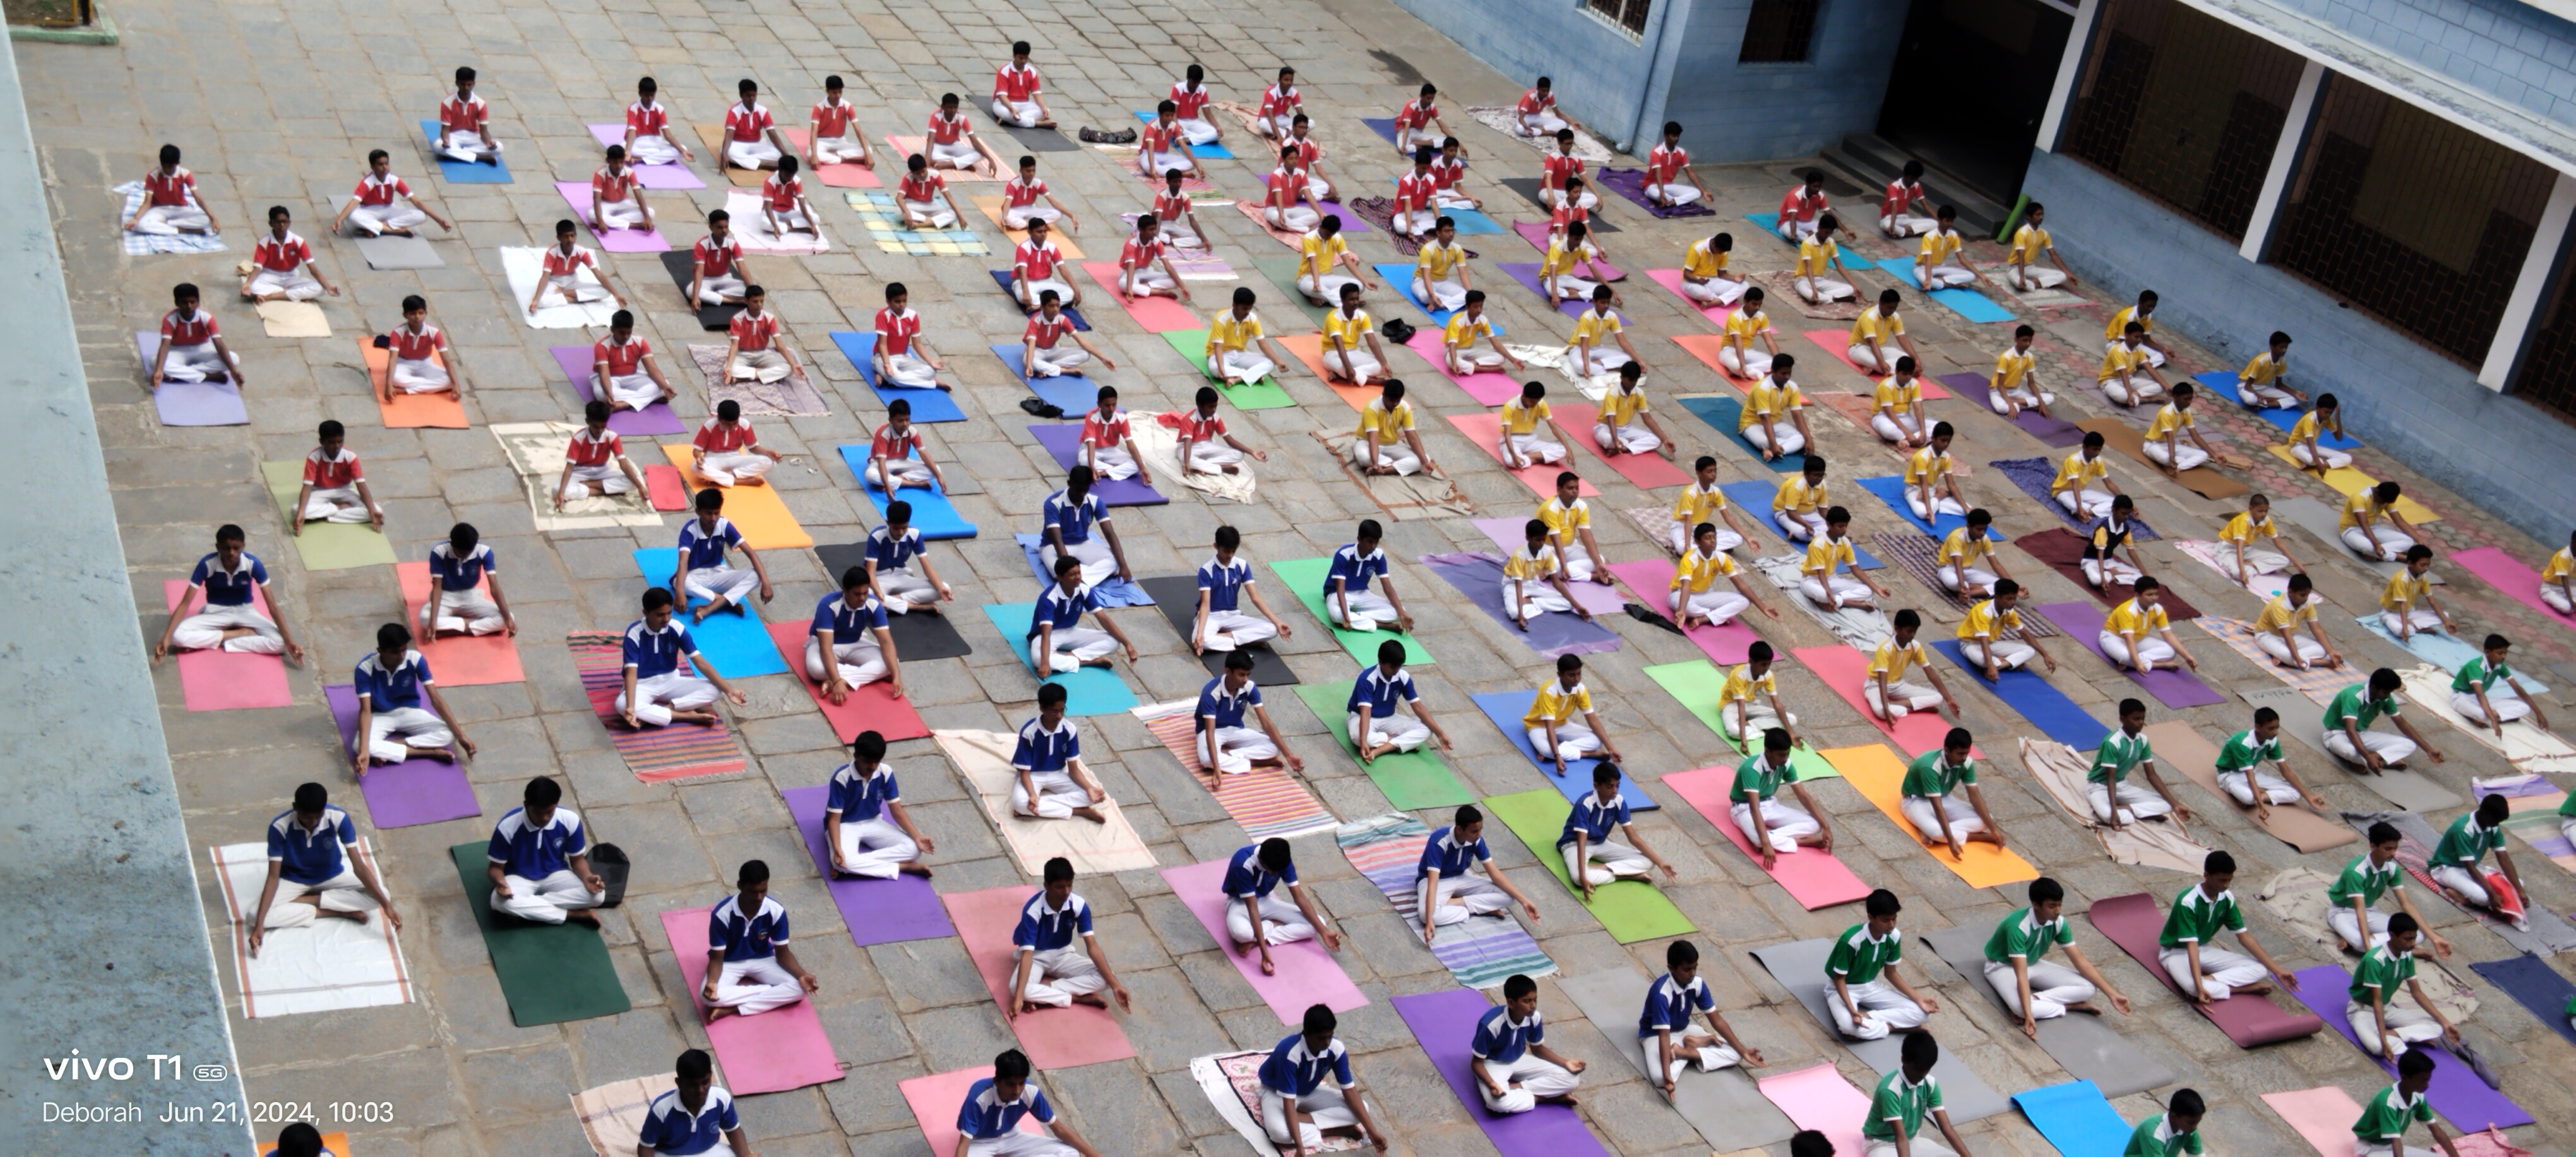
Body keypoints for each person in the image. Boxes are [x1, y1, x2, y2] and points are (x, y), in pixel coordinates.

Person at [244, 783, 398, 956]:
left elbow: (359, 868)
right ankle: (330, 911)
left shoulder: (338, 817)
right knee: (253, 915)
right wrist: (259, 927)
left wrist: (387, 907)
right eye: (306, 817)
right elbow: (273, 877)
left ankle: (310, 900)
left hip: (331, 876)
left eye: (318, 816)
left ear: (324, 809)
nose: (313, 822)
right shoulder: (279, 827)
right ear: (295, 808)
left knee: (382, 894)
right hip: (294, 879)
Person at [1985, 877, 2129, 1038]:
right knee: (2021, 1009)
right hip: (2003, 967)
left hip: (2032, 964)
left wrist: (2112, 994)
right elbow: (2021, 975)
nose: (2057, 910)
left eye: (2059, 904)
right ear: (2035, 904)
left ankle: (2036, 1000)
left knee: (2089, 987)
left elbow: (2079, 960)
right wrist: (2029, 1015)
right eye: (2052, 906)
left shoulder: (2058, 923)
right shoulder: (2018, 927)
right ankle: (2068, 1006)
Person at [2159, 851, 2298, 1004]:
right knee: (2193, 988)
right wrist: (2199, 987)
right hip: (2175, 954)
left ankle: (2208, 981)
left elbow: (2244, 937)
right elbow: (2191, 945)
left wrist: (2278, 971)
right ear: (2206, 875)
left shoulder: (2226, 898)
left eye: (2229, 880)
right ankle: (2239, 989)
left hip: (2202, 949)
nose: (2226, 885)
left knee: (2260, 969)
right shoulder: (2188, 901)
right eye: (2221, 880)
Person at [154, 524, 303, 664]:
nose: (231, 553)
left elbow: (273, 607)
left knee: (281, 643)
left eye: (236, 548)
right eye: (226, 548)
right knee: (177, 636)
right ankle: (236, 635)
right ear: (218, 547)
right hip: (215, 612)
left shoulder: (253, 564)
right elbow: (185, 603)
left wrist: (290, 641)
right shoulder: (207, 564)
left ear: (243, 546)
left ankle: (221, 641)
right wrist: (165, 639)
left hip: (246, 611)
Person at [1642, 939, 1765, 1096]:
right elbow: (1664, 1035)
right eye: (1687, 970)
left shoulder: (1697, 983)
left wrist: (1744, 1050)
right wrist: (1667, 1076)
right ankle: (1688, 1050)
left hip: (1685, 1031)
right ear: (1671, 968)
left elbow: (1716, 1020)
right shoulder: (1661, 994)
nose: (1692, 973)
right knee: (1660, 1079)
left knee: (1737, 1054)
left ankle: (1683, 1054)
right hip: (1654, 1036)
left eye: (1695, 968)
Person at [1260, 1005, 1388, 1153]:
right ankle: (1328, 1131)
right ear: (1306, 1034)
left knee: (1362, 1109)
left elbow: (1349, 1091)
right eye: (1321, 1038)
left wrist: (1372, 1131)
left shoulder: (1336, 1048)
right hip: (1276, 1093)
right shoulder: (1289, 1053)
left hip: (1308, 1091)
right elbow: (1288, 1101)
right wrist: (1300, 1146)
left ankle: (1302, 1118)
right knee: (1279, 1132)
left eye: (1330, 1036)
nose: (1327, 1042)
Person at [1009, 856, 1131, 1012]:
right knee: (1016, 989)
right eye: (1060, 887)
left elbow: (1092, 946)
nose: (1066, 892)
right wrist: (1019, 999)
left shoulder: (1078, 905)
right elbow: (1027, 954)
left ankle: (1046, 992)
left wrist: (1116, 986)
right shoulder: (1033, 910)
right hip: (1036, 956)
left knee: (1107, 978)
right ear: (1046, 885)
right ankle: (1074, 998)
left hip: (1063, 954)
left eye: (1069, 885)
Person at [701, 860, 818, 1021]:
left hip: (763, 959)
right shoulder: (722, 914)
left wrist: (802, 975)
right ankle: (769, 991)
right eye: (753, 892)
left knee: (800, 988)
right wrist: (713, 982)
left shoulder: (776, 910)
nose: (759, 897)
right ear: (740, 885)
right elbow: (716, 957)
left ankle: (734, 1008)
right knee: (707, 996)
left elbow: (783, 953)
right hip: (729, 962)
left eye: (763, 891)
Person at [618, 588, 748, 728]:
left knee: (716, 689)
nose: (666, 619)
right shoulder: (634, 633)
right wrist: (631, 707)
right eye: (660, 615)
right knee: (621, 705)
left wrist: (730, 691)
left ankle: (669, 709)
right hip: (642, 684)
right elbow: (631, 673)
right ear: (646, 613)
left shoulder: (676, 628)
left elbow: (700, 662)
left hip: (670, 680)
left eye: (669, 613)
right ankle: (684, 715)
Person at [485, 776, 605, 924]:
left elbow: (577, 859)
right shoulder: (507, 826)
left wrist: (588, 878)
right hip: (519, 877)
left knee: (598, 896)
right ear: (527, 805)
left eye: (549, 812)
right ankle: (572, 914)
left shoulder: (570, 820)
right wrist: (501, 882)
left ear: (556, 804)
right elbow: (495, 868)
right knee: (499, 901)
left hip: (556, 874)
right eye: (538, 812)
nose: (544, 818)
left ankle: (527, 907)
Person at [1417, 804, 1543, 940]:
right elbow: (1433, 884)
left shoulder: (1476, 841)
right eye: (1474, 831)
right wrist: (1430, 922)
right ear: (1460, 829)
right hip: (1435, 881)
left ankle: (1457, 902)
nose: (1479, 835)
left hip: (1462, 877)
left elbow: (1494, 874)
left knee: (1509, 896)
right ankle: (1476, 908)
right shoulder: (1440, 841)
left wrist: (1524, 902)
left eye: (1480, 830)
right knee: (1426, 915)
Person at [2330, 820, 2453, 956]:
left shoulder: (2392, 869)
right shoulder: (2357, 871)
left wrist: (2434, 938)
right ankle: (2406, 950)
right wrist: (2368, 947)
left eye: (2395, 848)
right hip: (2343, 913)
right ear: (2373, 846)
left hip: (2369, 912)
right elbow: (2359, 910)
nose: (2393, 853)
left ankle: (2373, 940)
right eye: (2388, 849)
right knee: (2361, 944)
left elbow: (2406, 904)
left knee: (2417, 934)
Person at [1828, 889, 1938, 1040]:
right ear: (1871, 918)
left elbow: (1891, 973)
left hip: (1869, 986)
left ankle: (1869, 1019)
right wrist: (1851, 1009)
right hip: (1842, 988)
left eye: (1894, 919)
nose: (1891, 925)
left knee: (1922, 1013)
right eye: (1885, 920)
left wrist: (1919, 999)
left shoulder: (1893, 936)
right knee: (1848, 1026)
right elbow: (1838, 979)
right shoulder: (1852, 940)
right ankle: (1892, 1027)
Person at [1560, 762, 1676, 900]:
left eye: (1617, 786)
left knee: (1648, 861)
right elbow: (1581, 840)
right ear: (1597, 786)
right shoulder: (1586, 803)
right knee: (1579, 879)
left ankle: (1602, 868)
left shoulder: (1619, 802)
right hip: (1573, 844)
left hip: (1600, 843)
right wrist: (1583, 875)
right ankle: (1627, 875)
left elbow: (1633, 837)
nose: (1615, 790)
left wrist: (1661, 862)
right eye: (1610, 787)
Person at [1221, 839, 1342, 972]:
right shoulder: (1243, 864)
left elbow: (1299, 897)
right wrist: (1264, 952)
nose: (1275, 874)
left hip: (1265, 900)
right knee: (1242, 934)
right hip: (1240, 903)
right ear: (1261, 859)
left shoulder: (1282, 859)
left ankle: (1261, 937)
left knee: (1318, 924)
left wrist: (1324, 932)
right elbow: (1252, 908)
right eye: (1272, 871)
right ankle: (1270, 926)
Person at [825, 731, 932, 879]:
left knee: (914, 849)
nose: (873, 766)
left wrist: (917, 837)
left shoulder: (885, 772)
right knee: (843, 860)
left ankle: (853, 863)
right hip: (845, 825)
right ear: (856, 756)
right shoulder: (842, 777)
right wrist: (837, 849)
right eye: (868, 762)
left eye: (877, 761)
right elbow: (834, 820)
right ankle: (903, 866)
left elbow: (897, 811)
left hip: (873, 822)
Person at [1474, 973, 1585, 1114]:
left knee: (1572, 1080)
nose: (1533, 1006)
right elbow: (1476, 1063)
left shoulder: (1534, 1017)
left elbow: (1538, 1049)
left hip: (1519, 1059)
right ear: (1511, 1003)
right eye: (1527, 1001)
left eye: (1535, 1000)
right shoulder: (1491, 1024)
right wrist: (1491, 1084)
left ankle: (1514, 1088)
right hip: (1493, 1064)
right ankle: (1544, 1099)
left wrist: (1565, 1063)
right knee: (1497, 1103)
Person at [958, 1050, 1100, 1157]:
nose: (1017, 1091)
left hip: (1012, 1137)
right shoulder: (979, 1096)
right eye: (1010, 1084)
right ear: (997, 1081)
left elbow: (1059, 1129)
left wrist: (1096, 1156)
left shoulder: (1030, 1091)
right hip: (980, 1143)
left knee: (1069, 1152)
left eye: (1021, 1083)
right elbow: (963, 1144)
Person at [1010, 688, 1115, 824]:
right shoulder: (1029, 732)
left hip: (1059, 773)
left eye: (1062, 710)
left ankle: (1038, 806)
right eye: (1054, 711)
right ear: (1042, 708)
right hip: (1033, 775)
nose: (1059, 716)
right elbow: (1024, 772)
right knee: (1020, 802)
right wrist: (1032, 795)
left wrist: (1089, 788)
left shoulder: (1069, 729)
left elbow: (1074, 770)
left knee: (1094, 796)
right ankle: (1078, 811)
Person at [1735, 728, 1834, 869]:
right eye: (1780, 755)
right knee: (1759, 841)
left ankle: (1771, 837)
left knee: (1816, 823)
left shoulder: (1785, 764)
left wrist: (1826, 827)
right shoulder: (1752, 768)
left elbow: (1803, 796)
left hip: (1770, 805)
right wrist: (1766, 844)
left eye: (1787, 754)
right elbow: (1754, 808)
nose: (1785, 758)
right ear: (1767, 751)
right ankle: (1798, 842)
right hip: (1744, 808)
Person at [2090, 700, 2192, 832]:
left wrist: (2176, 805)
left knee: (2168, 805)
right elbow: (2110, 778)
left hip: (2121, 785)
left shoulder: (2142, 740)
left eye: (2143, 719)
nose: (2141, 723)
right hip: (2098, 787)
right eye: (2136, 719)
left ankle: (2127, 809)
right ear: (2122, 719)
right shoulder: (2113, 742)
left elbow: (2151, 775)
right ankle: (2124, 811)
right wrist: (2114, 812)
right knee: (2109, 815)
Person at [2430, 794, 2531, 927]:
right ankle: (2462, 897)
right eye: (2495, 821)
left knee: (2519, 884)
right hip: (2447, 869)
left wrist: (2519, 891)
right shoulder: (2463, 830)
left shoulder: (2492, 826)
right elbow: (2470, 866)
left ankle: (2470, 895)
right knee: (2483, 897)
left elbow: (2503, 857)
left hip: (2472, 868)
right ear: (2484, 814)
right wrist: (2492, 894)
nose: (2496, 825)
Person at [672, 487, 772, 621]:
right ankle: (725, 602)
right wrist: (679, 593)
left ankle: (711, 607)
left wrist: (766, 583)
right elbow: (683, 563)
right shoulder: (690, 530)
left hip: (718, 574)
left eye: (717, 513)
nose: (713, 518)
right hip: (695, 576)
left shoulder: (724, 525)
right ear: (698, 512)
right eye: (708, 513)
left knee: (756, 575)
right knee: (680, 583)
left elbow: (750, 553)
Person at [1029, 555, 1138, 676]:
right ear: (1059, 577)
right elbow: (1046, 633)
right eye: (1072, 574)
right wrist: (1045, 664)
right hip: (1045, 636)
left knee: (1114, 641)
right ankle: (1087, 662)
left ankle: (1069, 656)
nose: (1077, 577)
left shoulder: (1084, 590)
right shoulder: (1049, 598)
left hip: (1070, 631)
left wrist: (1127, 644)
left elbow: (1103, 618)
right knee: (1040, 661)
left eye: (1079, 573)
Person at [1197, 652, 1301, 777]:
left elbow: (1266, 723)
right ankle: (1255, 762)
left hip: (1236, 730)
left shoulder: (1249, 687)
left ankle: (1230, 755)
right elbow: (1209, 731)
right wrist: (1217, 768)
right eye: (1241, 675)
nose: (1245, 679)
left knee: (1275, 746)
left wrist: (1289, 756)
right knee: (1207, 761)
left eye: (1248, 675)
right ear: (1228, 671)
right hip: (1212, 731)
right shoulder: (1211, 692)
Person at [1903, 729, 2005, 857]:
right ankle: (1975, 836)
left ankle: (1928, 828)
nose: (1963, 758)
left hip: (1945, 798)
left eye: (1966, 753)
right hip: (1916, 801)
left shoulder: (1967, 763)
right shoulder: (1930, 766)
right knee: (1937, 833)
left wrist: (1993, 830)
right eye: (1960, 753)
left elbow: (1974, 796)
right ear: (1947, 750)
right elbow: (1937, 806)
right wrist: (1951, 840)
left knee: (1987, 819)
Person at [2214, 707, 2329, 818]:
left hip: (2252, 774)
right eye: (2271, 729)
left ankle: (2259, 795)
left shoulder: (2271, 741)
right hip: (2229, 775)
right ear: (2258, 727)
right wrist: (2261, 806)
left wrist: (2309, 797)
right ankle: (2251, 795)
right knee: (2249, 798)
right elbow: (2249, 776)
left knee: (2295, 793)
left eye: (2277, 728)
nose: (2275, 732)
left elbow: (2286, 771)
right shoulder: (2243, 743)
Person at [1349, 638, 1453, 761]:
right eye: (1392, 667)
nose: (1396, 671)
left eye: (1399, 667)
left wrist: (1440, 734)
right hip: (1362, 717)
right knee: (1359, 737)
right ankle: (1397, 742)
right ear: (1380, 662)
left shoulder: (1402, 677)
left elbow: (1418, 707)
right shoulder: (1367, 678)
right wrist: (1363, 742)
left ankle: (1379, 750)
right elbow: (1365, 712)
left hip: (1389, 718)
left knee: (1426, 730)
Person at [2325, 668, 2444, 771]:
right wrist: (2367, 755)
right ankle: (2379, 760)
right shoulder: (2353, 696)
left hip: (2360, 735)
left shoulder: (2385, 698)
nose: (2388, 695)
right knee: (2350, 752)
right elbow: (2350, 730)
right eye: (2386, 692)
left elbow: (2402, 723)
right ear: (2373, 687)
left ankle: (2371, 761)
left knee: (2409, 745)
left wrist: (2429, 750)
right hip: (2336, 735)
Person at [637, 1050, 751, 1157]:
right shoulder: (661, 1109)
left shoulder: (722, 1099)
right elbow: (645, 1147)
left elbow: (732, 1131)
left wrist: (746, 1155)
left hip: (710, 1151)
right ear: (679, 1083)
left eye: (705, 1082)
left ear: (711, 1076)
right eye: (692, 1085)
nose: (700, 1090)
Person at [2351, 1049, 2463, 1157]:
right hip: (2370, 1148)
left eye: (2428, 1080)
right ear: (2405, 1078)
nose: (2427, 1085)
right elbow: (2396, 1141)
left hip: (2390, 1147)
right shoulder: (2387, 1103)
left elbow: (2436, 1131)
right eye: (2422, 1080)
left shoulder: (2418, 1098)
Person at [809, 567, 900, 700]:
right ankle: (864, 674)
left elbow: (886, 643)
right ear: (845, 591)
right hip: (824, 644)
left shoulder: (873, 604)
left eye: (865, 592)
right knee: (816, 669)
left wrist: (897, 677)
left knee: (892, 662)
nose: (862, 598)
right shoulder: (828, 605)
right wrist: (836, 680)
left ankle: (842, 680)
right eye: (857, 594)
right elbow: (826, 648)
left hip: (855, 642)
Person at [1194, 525, 1286, 652]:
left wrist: (1278, 622)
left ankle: (1227, 638)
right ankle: (1245, 641)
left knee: (1272, 629)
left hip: (1233, 615)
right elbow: (1205, 604)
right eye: (1226, 551)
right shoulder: (1206, 570)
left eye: (1233, 551)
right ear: (1216, 546)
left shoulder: (1241, 565)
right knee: (1201, 641)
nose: (1230, 555)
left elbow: (1255, 598)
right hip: (1211, 616)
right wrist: (1199, 633)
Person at [1672, 521, 1777, 628]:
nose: (1713, 541)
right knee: (1686, 607)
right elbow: (1685, 586)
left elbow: (1741, 585)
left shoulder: (1721, 558)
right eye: (1707, 538)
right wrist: (1681, 611)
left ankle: (1704, 618)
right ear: (1697, 542)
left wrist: (1763, 608)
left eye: (1714, 537)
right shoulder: (1690, 558)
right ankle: (1715, 616)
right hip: (1681, 594)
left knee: (1744, 601)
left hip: (1704, 595)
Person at [1524, 654, 1620, 772]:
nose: (1576, 679)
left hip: (1562, 724)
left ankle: (1558, 750)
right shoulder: (1549, 692)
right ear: (1560, 675)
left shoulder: (1580, 689)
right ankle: (1588, 754)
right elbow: (1549, 726)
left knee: (1596, 739)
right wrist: (1557, 757)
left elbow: (1592, 719)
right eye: (1571, 675)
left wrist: (1611, 749)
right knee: (1547, 751)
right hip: (1538, 727)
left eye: (1579, 674)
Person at [1039, 465, 1131, 587]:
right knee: (1058, 569)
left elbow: (1109, 534)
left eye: (1085, 490)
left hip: (1082, 544)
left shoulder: (1095, 501)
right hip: (1052, 548)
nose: (1082, 494)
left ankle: (1077, 579)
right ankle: (1081, 576)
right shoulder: (1053, 503)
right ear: (1069, 483)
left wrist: (1123, 566)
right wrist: (1069, 568)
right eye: (1078, 490)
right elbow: (1057, 541)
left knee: (1115, 560)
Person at [418, 523, 512, 638]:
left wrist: (508, 619)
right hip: (446, 596)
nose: (465, 556)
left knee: (509, 618)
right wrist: (433, 621)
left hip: (471, 596)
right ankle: (473, 626)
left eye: (469, 552)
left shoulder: (484, 552)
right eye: (461, 553)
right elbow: (437, 587)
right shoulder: (439, 552)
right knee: (425, 619)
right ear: (452, 544)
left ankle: (454, 630)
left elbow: (494, 588)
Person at [333, 149, 451, 237]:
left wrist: (440, 221)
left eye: (386, 164)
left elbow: (416, 201)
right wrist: (339, 220)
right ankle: (393, 230)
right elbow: (354, 202)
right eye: (380, 165)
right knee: (352, 217)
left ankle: (376, 227)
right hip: (369, 211)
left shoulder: (394, 180)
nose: (385, 168)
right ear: (372, 167)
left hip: (389, 210)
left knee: (421, 215)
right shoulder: (367, 182)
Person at [556, 400, 651, 510]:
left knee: (637, 481)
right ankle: (601, 491)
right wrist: (561, 493)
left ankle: (590, 485)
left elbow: (623, 464)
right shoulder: (579, 439)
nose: (600, 431)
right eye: (596, 427)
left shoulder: (611, 436)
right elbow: (569, 468)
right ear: (588, 421)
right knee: (557, 490)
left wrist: (640, 488)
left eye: (603, 426)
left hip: (602, 470)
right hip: (580, 471)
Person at [292, 420, 383, 534]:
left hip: (345, 490)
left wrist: (372, 511)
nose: (337, 446)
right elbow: (307, 487)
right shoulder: (314, 457)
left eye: (340, 442)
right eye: (331, 443)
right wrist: (301, 513)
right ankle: (337, 509)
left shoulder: (350, 457)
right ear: (322, 442)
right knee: (296, 511)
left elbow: (361, 486)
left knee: (377, 510)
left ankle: (325, 516)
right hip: (320, 491)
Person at [1325, 520, 1415, 633]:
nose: (1373, 546)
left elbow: (1387, 586)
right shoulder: (1344, 555)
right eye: (1369, 542)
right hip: (1336, 594)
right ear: (1359, 539)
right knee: (1338, 616)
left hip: (1362, 593)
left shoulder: (1378, 556)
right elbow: (1340, 588)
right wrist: (1345, 614)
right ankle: (1381, 625)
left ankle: (1357, 618)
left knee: (1398, 611)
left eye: (1376, 542)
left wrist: (1403, 615)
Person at [148, 282, 244, 387]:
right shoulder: (170, 319)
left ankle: (184, 374)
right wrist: (158, 371)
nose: (189, 306)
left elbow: (219, 344)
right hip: (178, 350)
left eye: (192, 302)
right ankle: (208, 377)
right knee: (154, 363)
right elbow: (165, 345)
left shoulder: (206, 317)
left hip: (202, 348)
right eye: (184, 303)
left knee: (234, 359)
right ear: (177, 303)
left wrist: (233, 371)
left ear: (198, 302)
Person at [527, 218, 626, 315]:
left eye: (572, 236)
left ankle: (567, 294)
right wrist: (536, 300)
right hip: (555, 282)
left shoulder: (580, 251)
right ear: (559, 238)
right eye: (566, 237)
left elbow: (597, 273)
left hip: (572, 282)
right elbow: (545, 276)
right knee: (541, 301)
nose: (570, 240)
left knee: (606, 292)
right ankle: (577, 298)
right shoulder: (552, 253)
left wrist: (616, 294)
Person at [1503, 518, 1588, 631]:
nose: (1541, 543)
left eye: (1543, 540)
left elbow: (1556, 583)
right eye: (1538, 540)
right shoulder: (1519, 556)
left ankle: (1530, 602)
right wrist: (1521, 617)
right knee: (1515, 613)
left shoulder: (1546, 553)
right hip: (1513, 586)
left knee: (1568, 603)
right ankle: (1529, 607)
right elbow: (1518, 586)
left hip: (1532, 584)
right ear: (1528, 538)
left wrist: (1577, 607)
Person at [1868, 610, 1957, 719]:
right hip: (1875, 684)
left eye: (1915, 631)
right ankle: (1908, 708)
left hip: (1897, 685)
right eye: (1909, 631)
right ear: (1897, 629)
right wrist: (1886, 711)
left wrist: (1949, 699)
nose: (1912, 635)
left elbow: (1930, 673)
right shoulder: (1886, 649)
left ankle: (1894, 705)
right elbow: (1882, 680)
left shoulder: (1915, 646)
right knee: (1881, 712)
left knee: (1938, 697)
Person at [242, 206, 339, 302]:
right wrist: (248, 284)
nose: (282, 226)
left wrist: (328, 287)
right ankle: (292, 293)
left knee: (320, 288)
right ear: (271, 224)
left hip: (290, 276)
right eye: (278, 222)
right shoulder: (264, 242)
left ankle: (270, 297)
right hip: (269, 275)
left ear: (289, 223)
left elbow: (313, 269)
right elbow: (257, 268)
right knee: (253, 288)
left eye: (285, 222)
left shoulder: (298, 242)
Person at [2455, 633, 2549, 733]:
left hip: (2479, 700)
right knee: (2481, 714)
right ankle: (2486, 718)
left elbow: (2517, 688)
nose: (2503, 657)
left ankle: (2489, 717)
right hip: (2462, 698)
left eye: (2505, 653)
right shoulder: (2476, 667)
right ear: (2487, 652)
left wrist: (2539, 713)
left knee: (2524, 708)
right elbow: (2480, 695)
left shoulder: (2499, 666)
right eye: (2500, 653)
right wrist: (2493, 721)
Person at [2101, 577, 2197, 674]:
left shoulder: (2158, 609)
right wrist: (2137, 663)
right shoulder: (2128, 611)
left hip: (2138, 640)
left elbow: (2168, 634)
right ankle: (2157, 665)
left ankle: (2133, 661)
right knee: (2125, 657)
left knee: (2171, 651)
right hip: (2114, 637)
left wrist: (2187, 656)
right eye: (2149, 595)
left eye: (2156, 594)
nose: (2154, 598)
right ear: (2138, 595)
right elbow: (2128, 638)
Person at [875, 282, 958, 393]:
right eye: (897, 301)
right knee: (896, 378)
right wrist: (887, 364)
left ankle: (886, 377)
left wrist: (931, 361)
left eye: (904, 301)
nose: (902, 305)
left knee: (931, 371)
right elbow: (882, 344)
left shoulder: (912, 315)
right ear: (888, 302)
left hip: (904, 357)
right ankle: (933, 383)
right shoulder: (882, 315)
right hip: (883, 358)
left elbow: (917, 343)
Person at [591, 309, 678, 413]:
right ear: (612, 329)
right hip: (610, 378)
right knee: (602, 395)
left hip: (633, 376)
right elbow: (604, 375)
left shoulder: (639, 342)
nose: (626, 337)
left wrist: (664, 386)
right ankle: (650, 399)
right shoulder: (602, 346)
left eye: (629, 332)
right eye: (622, 333)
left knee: (664, 384)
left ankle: (624, 404)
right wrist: (609, 393)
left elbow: (652, 368)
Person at [1807, 509, 1893, 613]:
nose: (1844, 530)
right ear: (1829, 525)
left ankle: (1833, 601)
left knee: (1868, 590)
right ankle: (1849, 603)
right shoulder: (1818, 544)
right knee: (1823, 595)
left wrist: (1877, 589)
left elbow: (1855, 569)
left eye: (1846, 526)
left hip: (1831, 579)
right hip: (1812, 580)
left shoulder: (1845, 542)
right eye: (1840, 526)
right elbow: (1821, 573)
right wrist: (1829, 593)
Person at [1667, 457, 1755, 557]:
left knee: (1738, 538)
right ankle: (1706, 548)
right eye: (1709, 471)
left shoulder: (1716, 492)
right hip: (1681, 527)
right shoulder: (1690, 494)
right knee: (1682, 548)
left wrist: (1748, 538)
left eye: (1715, 471)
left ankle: (1703, 548)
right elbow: (1688, 521)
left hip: (1700, 529)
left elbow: (1728, 517)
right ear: (1699, 474)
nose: (1713, 475)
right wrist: (1687, 545)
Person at [378, 295, 460, 400]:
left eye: (421, 313)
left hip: (425, 363)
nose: (417, 317)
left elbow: (446, 360)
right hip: (403, 362)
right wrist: (388, 385)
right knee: (393, 379)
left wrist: (456, 385)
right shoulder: (397, 333)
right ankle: (431, 386)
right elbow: (392, 360)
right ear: (405, 315)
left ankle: (406, 391)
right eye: (412, 314)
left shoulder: (434, 332)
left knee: (450, 380)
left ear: (426, 313)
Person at [865, 399, 953, 497]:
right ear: (891, 420)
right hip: (882, 463)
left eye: (907, 420)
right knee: (870, 475)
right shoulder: (883, 433)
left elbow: (923, 454)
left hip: (903, 462)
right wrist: (887, 486)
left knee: (936, 469)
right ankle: (915, 484)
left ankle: (896, 479)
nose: (905, 424)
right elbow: (881, 461)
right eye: (900, 421)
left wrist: (939, 477)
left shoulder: (912, 432)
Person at [1719, 642, 1801, 747]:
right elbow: (1741, 706)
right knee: (1734, 732)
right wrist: (1744, 740)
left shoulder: (1768, 675)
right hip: (1731, 705)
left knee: (1792, 719)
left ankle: (1750, 725)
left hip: (1751, 705)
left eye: (1769, 664)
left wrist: (1791, 734)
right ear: (1751, 662)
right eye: (1763, 664)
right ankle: (1764, 732)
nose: (1766, 668)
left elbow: (1777, 704)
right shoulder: (1739, 675)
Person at [1351, 380, 1438, 477]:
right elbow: (1373, 438)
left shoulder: (1404, 408)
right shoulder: (1372, 408)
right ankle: (1386, 465)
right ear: (1384, 395)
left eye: (1398, 400)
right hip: (1366, 443)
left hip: (1392, 445)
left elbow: (1412, 437)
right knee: (1364, 457)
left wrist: (1425, 463)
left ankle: (1384, 470)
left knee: (1424, 458)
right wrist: (1375, 463)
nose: (1395, 404)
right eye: (1392, 401)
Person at [2216, 493, 2305, 589]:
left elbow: (2279, 544)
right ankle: (2248, 568)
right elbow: (2239, 547)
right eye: (2260, 511)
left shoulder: (2266, 521)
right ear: (2251, 508)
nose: (2263, 514)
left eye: (2266, 511)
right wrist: (2242, 572)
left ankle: (2250, 565)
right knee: (2237, 573)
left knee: (2284, 560)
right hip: (2229, 548)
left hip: (2247, 550)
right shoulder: (2243, 521)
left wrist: (2298, 565)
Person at [128, 143, 220, 236]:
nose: (167, 170)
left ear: (177, 163)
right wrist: (135, 218)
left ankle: (168, 225)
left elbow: (198, 199)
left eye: (170, 167)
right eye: (165, 166)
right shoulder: (153, 175)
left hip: (180, 209)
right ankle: (182, 230)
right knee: (140, 225)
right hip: (159, 209)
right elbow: (147, 202)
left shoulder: (185, 174)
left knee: (206, 220)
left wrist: (213, 219)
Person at [1025, 291, 1114, 383]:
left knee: (1085, 354)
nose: (1055, 309)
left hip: (1053, 350)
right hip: (1037, 351)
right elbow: (1031, 345)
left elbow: (1081, 341)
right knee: (1029, 360)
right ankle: (1065, 370)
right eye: (1051, 306)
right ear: (1042, 307)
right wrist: (1028, 366)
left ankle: (1047, 368)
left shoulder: (1062, 319)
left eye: (1058, 306)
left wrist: (1103, 358)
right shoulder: (1035, 321)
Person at [722, 285, 802, 387]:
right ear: (746, 301)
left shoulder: (769, 318)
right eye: (755, 301)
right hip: (742, 354)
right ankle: (765, 375)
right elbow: (734, 345)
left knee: (789, 368)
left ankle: (748, 376)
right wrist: (728, 367)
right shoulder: (738, 319)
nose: (759, 304)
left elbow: (779, 344)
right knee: (730, 369)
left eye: (761, 301)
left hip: (763, 354)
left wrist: (794, 365)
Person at [1207, 287, 1289, 386]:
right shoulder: (1221, 319)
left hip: (1241, 354)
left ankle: (1237, 379)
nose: (1247, 312)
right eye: (1244, 308)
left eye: (1250, 308)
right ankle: (1253, 375)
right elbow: (1218, 347)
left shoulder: (1252, 318)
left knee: (1271, 363)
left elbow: (1262, 343)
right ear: (1234, 305)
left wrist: (1278, 362)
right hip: (1221, 355)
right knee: (1215, 369)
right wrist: (1221, 368)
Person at [1177, 386, 1265, 477]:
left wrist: (1252, 452)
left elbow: (1230, 440)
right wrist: (1187, 465)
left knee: (1239, 454)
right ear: (1200, 406)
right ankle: (1220, 469)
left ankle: (1203, 467)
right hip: (1189, 447)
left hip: (1208, 445)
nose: (1214, 410)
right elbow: (1187, 443)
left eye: (1215, 406)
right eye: (1210, 407)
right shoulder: (1189, 419)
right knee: (1186, 459)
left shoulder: (1215, 417)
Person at [2380, 546, 2455, 642]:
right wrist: (2405, 628)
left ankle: (2412, 626)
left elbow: (2431, 601)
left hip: (2409, 612)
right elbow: (2402, 604)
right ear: (2410, 563)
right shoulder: (2401, 579)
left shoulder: (2423, 578)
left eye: (2428, 565)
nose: (2426, 568)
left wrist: (2447, 622)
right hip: (2391, 613)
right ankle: (2413, 627)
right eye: (2423, 565)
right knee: (2400, 631)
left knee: (2445, 616)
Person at [1744, 360, 1815, 461]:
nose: (1787, 377)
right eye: (1783, 373)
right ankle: (1774, 447)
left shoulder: (1792, 387)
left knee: (1802, 438)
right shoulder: (1762, 388)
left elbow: (1797, 414)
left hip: (1776, 423)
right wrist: (1773, 444)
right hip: (1752, 424)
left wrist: (1809, 440)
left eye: (1789, 373)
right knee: (1766, 441)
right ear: (1773, 372)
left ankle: (1776, 450)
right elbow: (1765, 417)